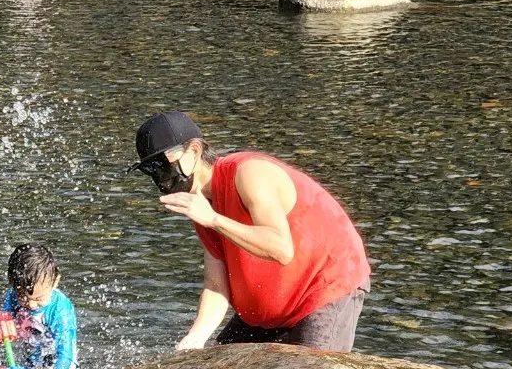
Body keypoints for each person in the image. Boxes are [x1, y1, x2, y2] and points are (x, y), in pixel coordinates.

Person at [131, 111, 371, 352]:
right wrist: (195, 338)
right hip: (269, 314)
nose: (160, 176)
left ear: (194, 150)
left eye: (163, 163)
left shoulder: (249, 174)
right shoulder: (201, 205)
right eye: (150, 169)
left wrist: (214, 220)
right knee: (210, 367)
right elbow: (216, 285)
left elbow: (280, 248)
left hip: (325, 288)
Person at [0, 243, 77, 369]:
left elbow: (65, 350)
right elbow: (5, 313)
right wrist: (3, 322)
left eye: (38, 299)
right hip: (32, 357)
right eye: (23, 297)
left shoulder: (60, 310)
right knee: (31, 365)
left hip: (62, 363)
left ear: (55, 282)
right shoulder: (13, 295)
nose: (31, 305)